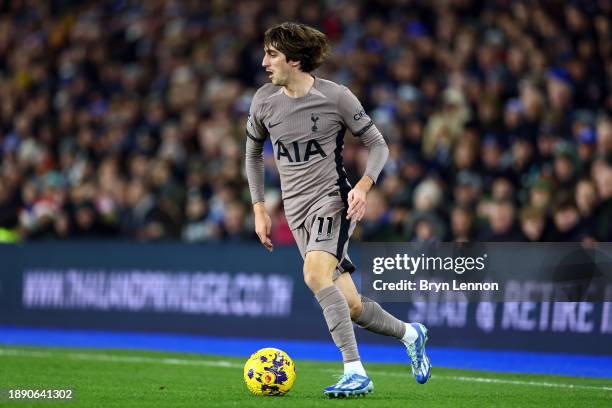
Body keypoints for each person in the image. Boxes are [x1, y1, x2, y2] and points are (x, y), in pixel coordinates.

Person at [245, 22, 430, 398]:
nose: (265, 62)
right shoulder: (264, 100)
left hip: (333, 201)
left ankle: (355, 370)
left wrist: (363, 186)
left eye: (272, 54)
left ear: (295, 60)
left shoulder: (336, 97)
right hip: (295, 214)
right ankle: (412, 334)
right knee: (351, 305)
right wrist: (259, 208)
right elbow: (251, 154)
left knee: (314, 275)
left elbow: (378, 145)